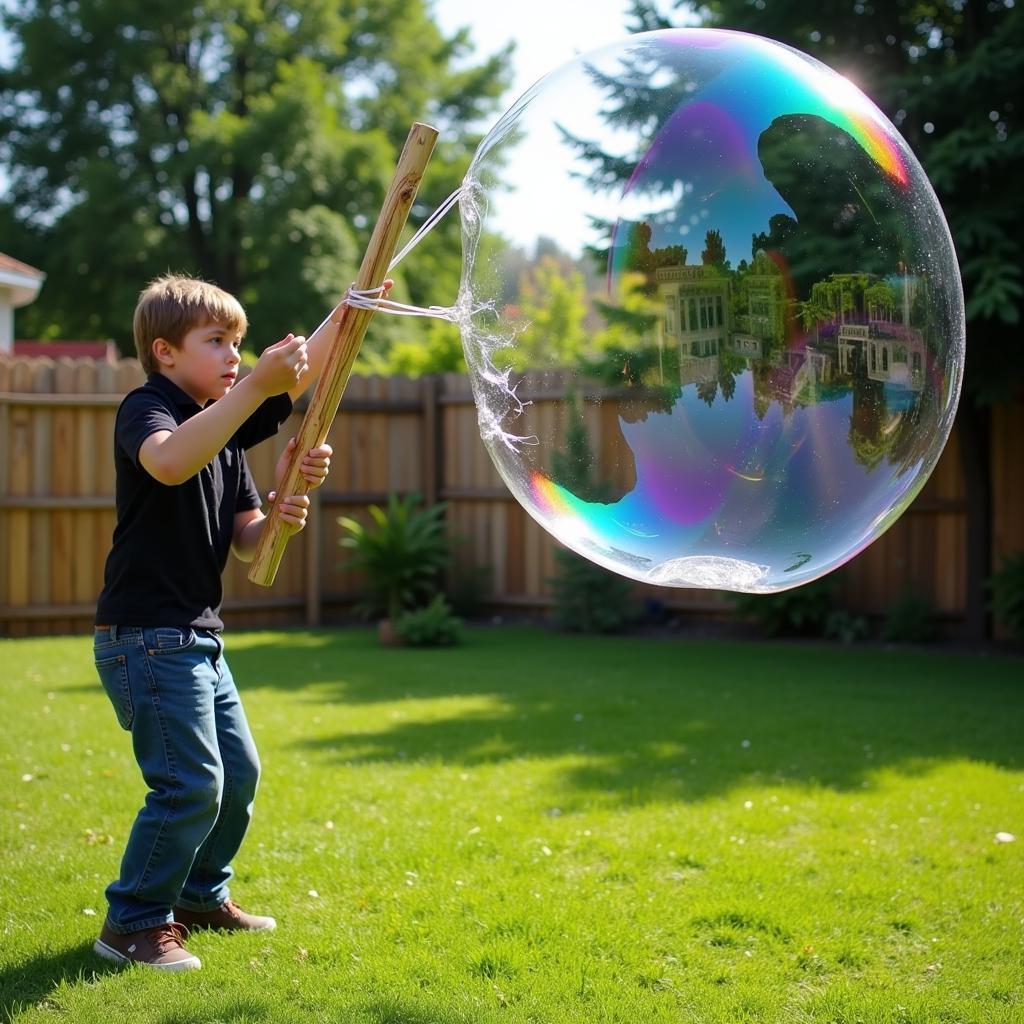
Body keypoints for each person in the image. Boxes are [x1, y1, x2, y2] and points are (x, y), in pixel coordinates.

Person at [91, 274, 339, 972]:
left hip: (197, 637)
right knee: (189, 784)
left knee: (239, 772)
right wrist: (254, 388)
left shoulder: (225, 433)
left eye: (239, 341)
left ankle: (200, 897)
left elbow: (248, 537)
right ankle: (131, 923)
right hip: (144, 636)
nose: (236, 354)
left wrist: (288, 494)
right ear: (165, 352)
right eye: (218, 342)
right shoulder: (149, 408)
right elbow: (170, 463)